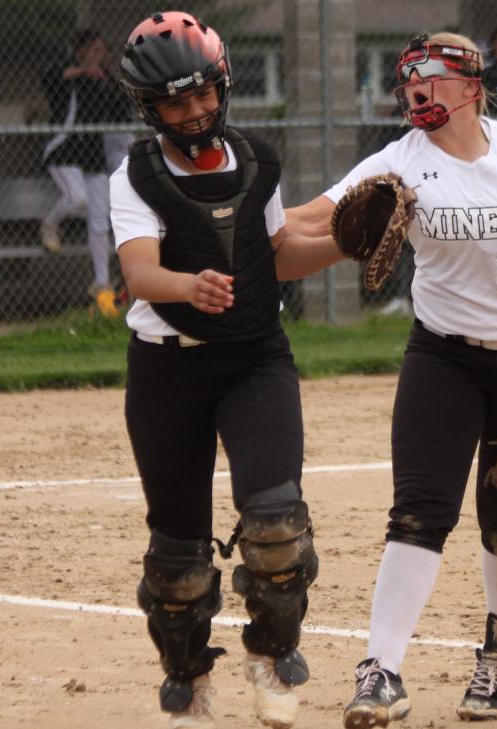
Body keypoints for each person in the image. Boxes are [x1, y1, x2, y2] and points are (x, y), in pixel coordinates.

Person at [287, 31, 497, 727]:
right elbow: (307, 222)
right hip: (442, 355)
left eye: (433, 76)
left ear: (472, 86)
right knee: (419, 509)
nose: (417, 86)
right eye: (408, 78)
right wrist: (254, 225)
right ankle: (380, 669)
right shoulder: (398, 162)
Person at [110, 11, 343, 729]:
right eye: (175, 102)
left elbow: (276, 255)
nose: (194, 111)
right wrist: (189, 285)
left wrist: (345, 242)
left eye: (203, 93)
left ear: (222, 84)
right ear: (150, 109)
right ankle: (187, 675)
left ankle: (271, 653)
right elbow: (140, 272)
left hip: (254, 357)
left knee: (275, 523)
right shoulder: (137, 175)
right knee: (178, 561)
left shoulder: (256, 159)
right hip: (167, 370)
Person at [41, 29, 125, 318]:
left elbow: (120, 111)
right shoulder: (69, 76)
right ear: (81, 51)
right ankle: (49, 225)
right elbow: (50, 78)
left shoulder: (104, 82)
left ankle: (101, 284)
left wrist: (109, 79)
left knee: (100, 221)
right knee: (77, 199)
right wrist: (82, 71)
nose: (99, 57)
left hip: (92, 158)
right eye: (94, 50)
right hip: (64, 152)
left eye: (102, 51)